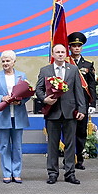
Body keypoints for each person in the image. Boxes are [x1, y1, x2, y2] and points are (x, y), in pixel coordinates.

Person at [35, 44, 86, 185]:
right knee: (52, 145)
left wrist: (82, 109)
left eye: (63, 52)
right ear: (53, 54)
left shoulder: (73, 69)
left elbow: (78, 91)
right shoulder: (45, 70)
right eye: (57, 52)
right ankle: (52, 173)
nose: (60, 54)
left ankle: (70, 173)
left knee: (70, 144)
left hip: (70, 112)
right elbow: (38, 89)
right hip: (52, 112)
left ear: (66, 54)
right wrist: (45, 99)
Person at [0, 50, 30, 184]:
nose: (5, 63)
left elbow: (28, 94)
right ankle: (6, 172)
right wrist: (2, 98)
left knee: (17, 146)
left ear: (14, 62)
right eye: (3, 61)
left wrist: (20, 101)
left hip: (18, 115)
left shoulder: (22, 76)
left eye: (8, 61)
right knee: (4, 146)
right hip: (3, 115)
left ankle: (16, 173)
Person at [68, 32, 96, 170]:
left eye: (79, 46)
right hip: (68, 102)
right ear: (70, 47)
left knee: (81, 132)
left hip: (83, 103)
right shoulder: (66, 63)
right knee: (68, 132)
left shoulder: (88, 65)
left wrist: (92, 104)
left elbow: (92, 86)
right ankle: (68, 159)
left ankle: (79, 159)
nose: (77, 48)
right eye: (74, 46)